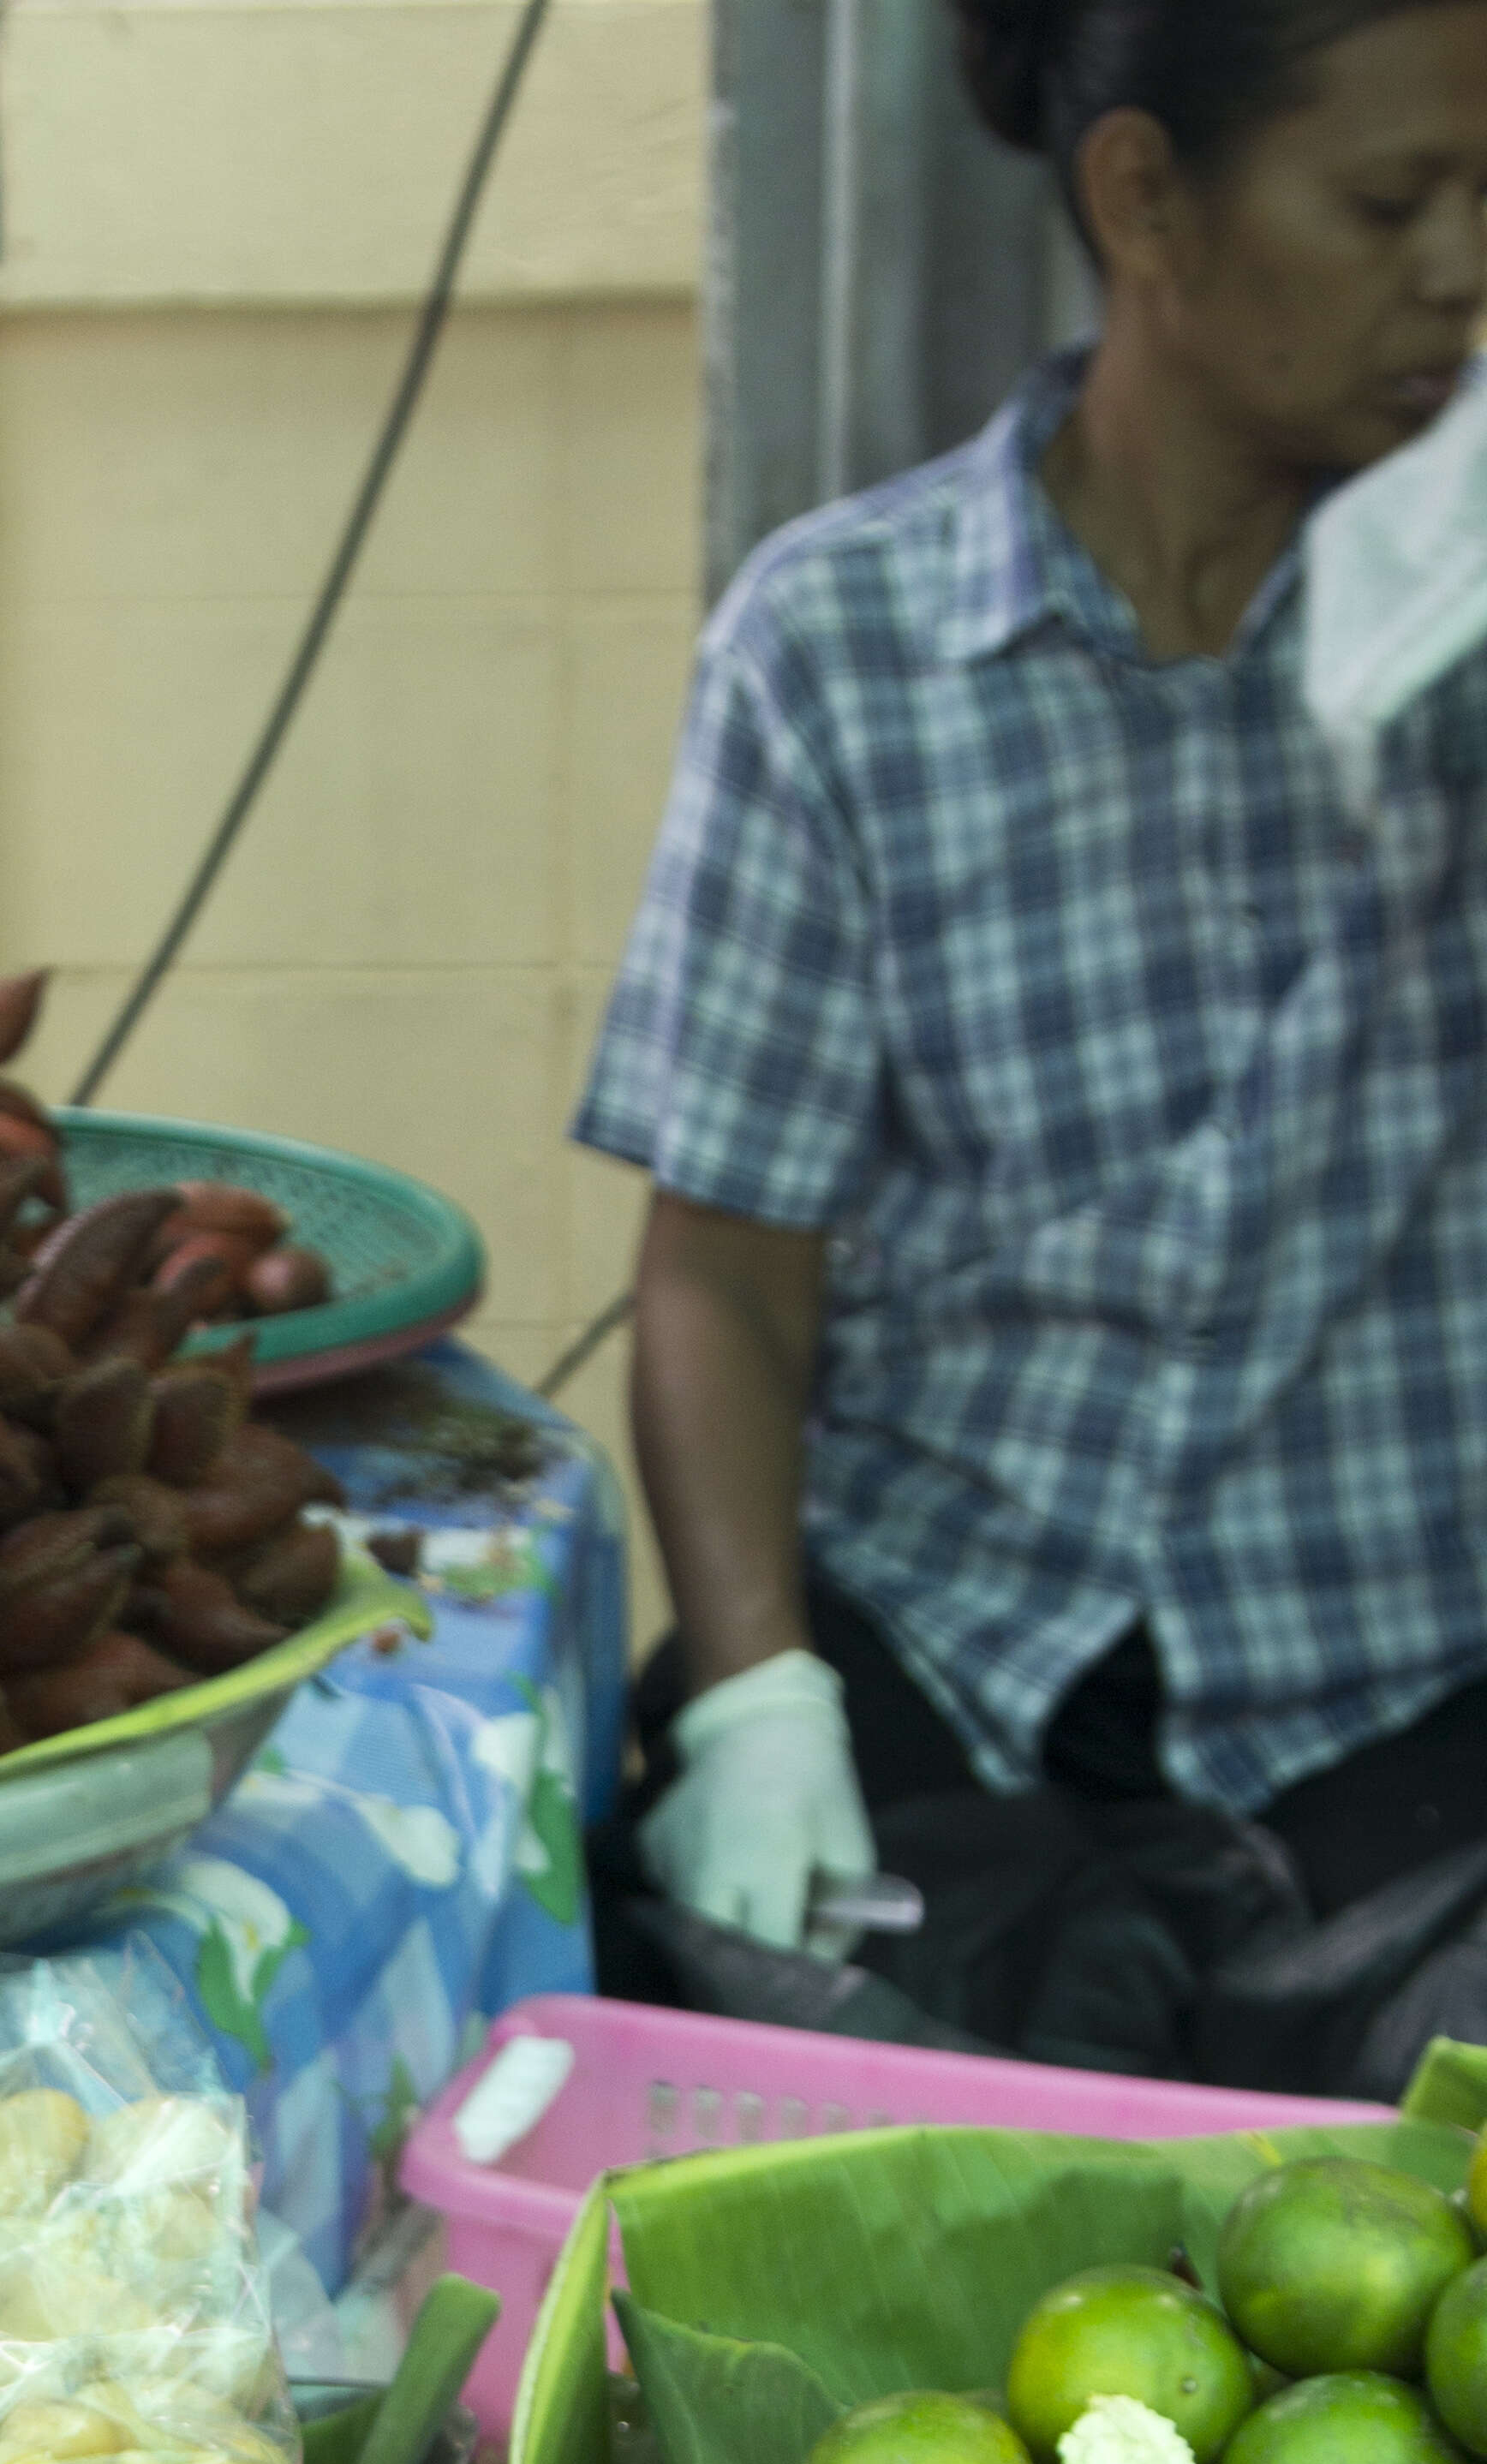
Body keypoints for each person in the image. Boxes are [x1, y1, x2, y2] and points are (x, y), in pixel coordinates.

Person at [580, 0, 1487, 1978]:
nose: (1463, 271)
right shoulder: (843, 651)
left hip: (1399, 1694)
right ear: (1146, 198)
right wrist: (757, 1705)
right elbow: (725, 1276)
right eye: (1393, 200)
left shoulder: (1462, 622)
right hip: (952, 1662)